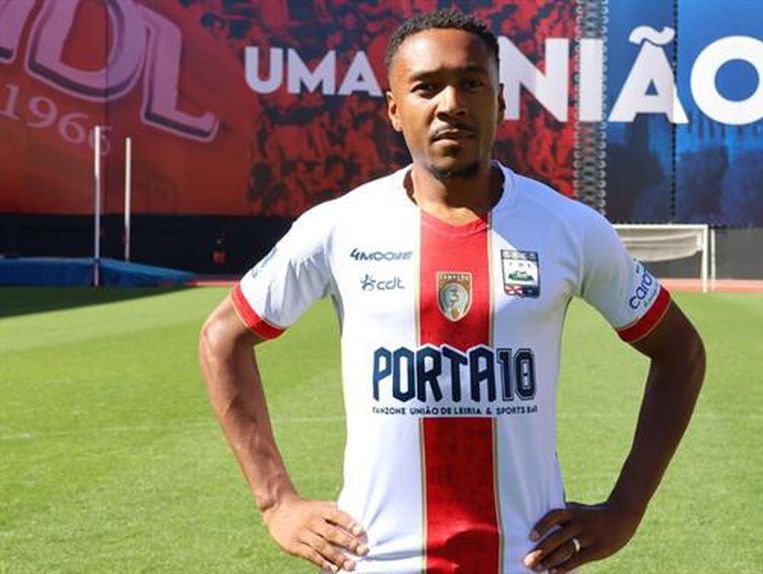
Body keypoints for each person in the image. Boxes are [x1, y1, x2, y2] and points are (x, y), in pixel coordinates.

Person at [198, 9, 705, 574]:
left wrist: (625, 509)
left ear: (500, 102)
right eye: (426, 87)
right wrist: (276, 501)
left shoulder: (570, 227)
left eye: (471, 83)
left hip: (524, 561)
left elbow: (680, 350)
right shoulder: (338, 226)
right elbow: (223, 337)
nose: (451, 104)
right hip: (376, 561)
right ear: (394, 109)